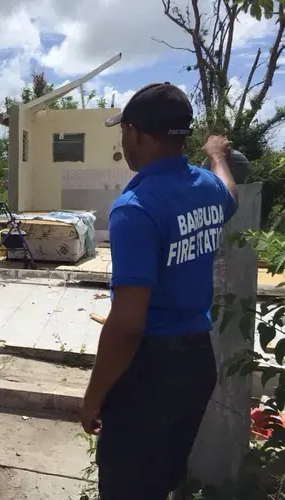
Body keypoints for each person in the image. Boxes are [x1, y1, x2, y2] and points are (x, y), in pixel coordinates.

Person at [80, 82, 238, 499]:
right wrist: (217, 155)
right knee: (163, 482)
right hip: (196, 365)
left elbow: (128, 324)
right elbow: (230, 194)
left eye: (123, 132)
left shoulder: (136, 208)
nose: (122, 141)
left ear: (135, 132)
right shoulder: (206, 187)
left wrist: (93, 396)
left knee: (127, 488)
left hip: (149, 372)